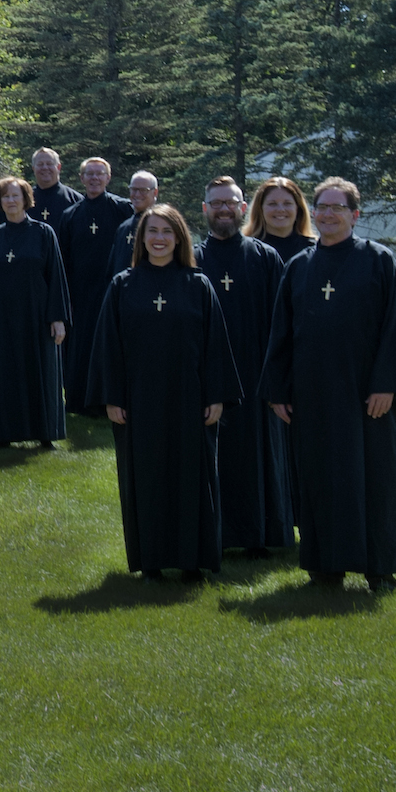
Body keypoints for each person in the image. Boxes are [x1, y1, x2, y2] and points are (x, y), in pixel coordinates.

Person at [262, 177, 396, 592]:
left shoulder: (379, 261)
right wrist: (278, 390)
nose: (328, 214)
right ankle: (325, 565)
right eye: (322, 206)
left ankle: (379, 567)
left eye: (337, 207)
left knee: (376, 479)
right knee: (321, 479)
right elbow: (282, 332)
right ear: (312, 213)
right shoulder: (299, 267)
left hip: (369, 397)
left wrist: (388, 385)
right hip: (313, 397)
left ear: (355, 214)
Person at [90, 205, 241, 581]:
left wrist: (217, 395)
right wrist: (113, 397)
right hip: (138, 400)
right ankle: (151, 560)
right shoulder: (123, 284)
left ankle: (193, 560)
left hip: (190, 398)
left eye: (166, 232)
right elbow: (108, 346)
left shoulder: (197, 285)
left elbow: (215, 346)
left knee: (192, 476)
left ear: (179, 238)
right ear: (141, 238)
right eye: (151, 231)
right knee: (146, 477)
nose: (158, 238)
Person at [196, 177, 293, 555]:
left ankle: (260, 536)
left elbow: (283, 326)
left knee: (259, 461)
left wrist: (278, 383)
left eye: (230, 203)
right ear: (205, 209)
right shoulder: (193, 259)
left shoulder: (266, 258)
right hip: (208, 380)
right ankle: (213, 536)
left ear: (242, 209)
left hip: (256, 382)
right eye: (216, 203)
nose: (223, 209)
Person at [0, 176, 70, 448]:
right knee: (5, 373)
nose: (11, 201)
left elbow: (56, 278)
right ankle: (4, 433)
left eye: (16, 196)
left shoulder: (43, 233)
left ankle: (45, 433)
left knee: (39, 370)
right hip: (0, 316)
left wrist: (57, 318)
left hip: (36, 315)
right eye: (5, 196)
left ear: (26, 199)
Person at [59, 158, 136, 416]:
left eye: (99, 174)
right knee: (81, 348)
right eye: (89, 174)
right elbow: (64, 259)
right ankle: (80, 402)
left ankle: (110, 400)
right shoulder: (70, 215)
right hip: (80, 293)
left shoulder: (123, 210)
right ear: (81, 179)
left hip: (112, 289)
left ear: (108, 178)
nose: (94, 178)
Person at [246, 176, 318, 265]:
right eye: (272, 204)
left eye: (287, 203)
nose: (280, 209)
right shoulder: (248, 250)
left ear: (298, 208)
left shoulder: (314, 250)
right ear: (260, 209)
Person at [109, 170, 161, 273]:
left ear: (155, 192)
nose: (137, 194)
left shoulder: (160, 225)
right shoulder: (124, 227)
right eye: (134, 189)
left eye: (143, 190)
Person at [29, 147, 82, 234]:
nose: (45, 167)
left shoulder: (75, 200)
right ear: (33, 168)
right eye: (40, 164)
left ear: (58, 167)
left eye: (49, 163)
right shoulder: (24, 199)